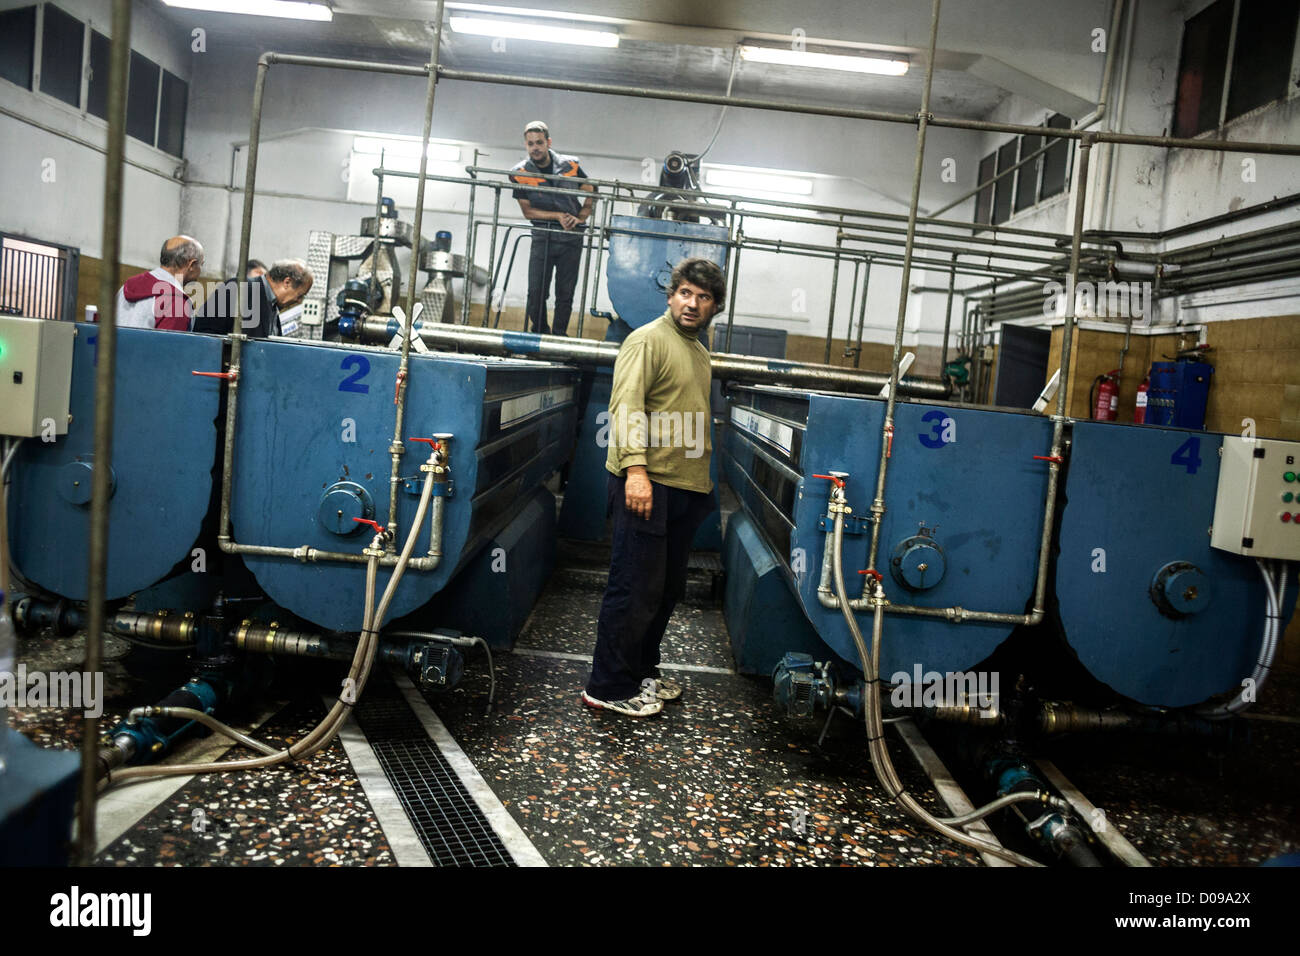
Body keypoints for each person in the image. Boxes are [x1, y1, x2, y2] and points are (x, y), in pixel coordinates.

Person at [583, 257, 725, 717]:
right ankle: (607, 687)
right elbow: (626, 408)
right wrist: (637, 473)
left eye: (703, 298)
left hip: (682, 487)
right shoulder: (646, 340)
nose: (692, 304)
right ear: (671, 295)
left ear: (714, 307)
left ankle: (642, 671)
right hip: (648, 484)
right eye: (685, 293)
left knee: (663, 591)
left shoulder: (698, 349)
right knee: (633, 588)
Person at [509, 120, 594, 336]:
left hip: (571, 238)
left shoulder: (570, 165)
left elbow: (592, 190)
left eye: (539, 142)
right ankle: (539, 333)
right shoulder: (519, 173)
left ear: (548, 142)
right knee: (536, 292)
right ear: (526, 145)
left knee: (565, 293)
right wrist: (556, 215)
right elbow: (528, 212)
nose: (535, 148)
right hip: (543, 237)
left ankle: (558, 337)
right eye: (530, 144)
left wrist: (581, 218)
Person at [193, 258, 313, 338]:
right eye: (300, 295)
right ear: (287, 282)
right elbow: (205, 333)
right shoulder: (238, 288)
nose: (299, 301)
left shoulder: (272, 305)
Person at [115, 236, 203, 331]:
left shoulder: (126, 287)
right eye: (201, 264)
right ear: (192, 265)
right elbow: (170, 344)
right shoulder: (177, 302)